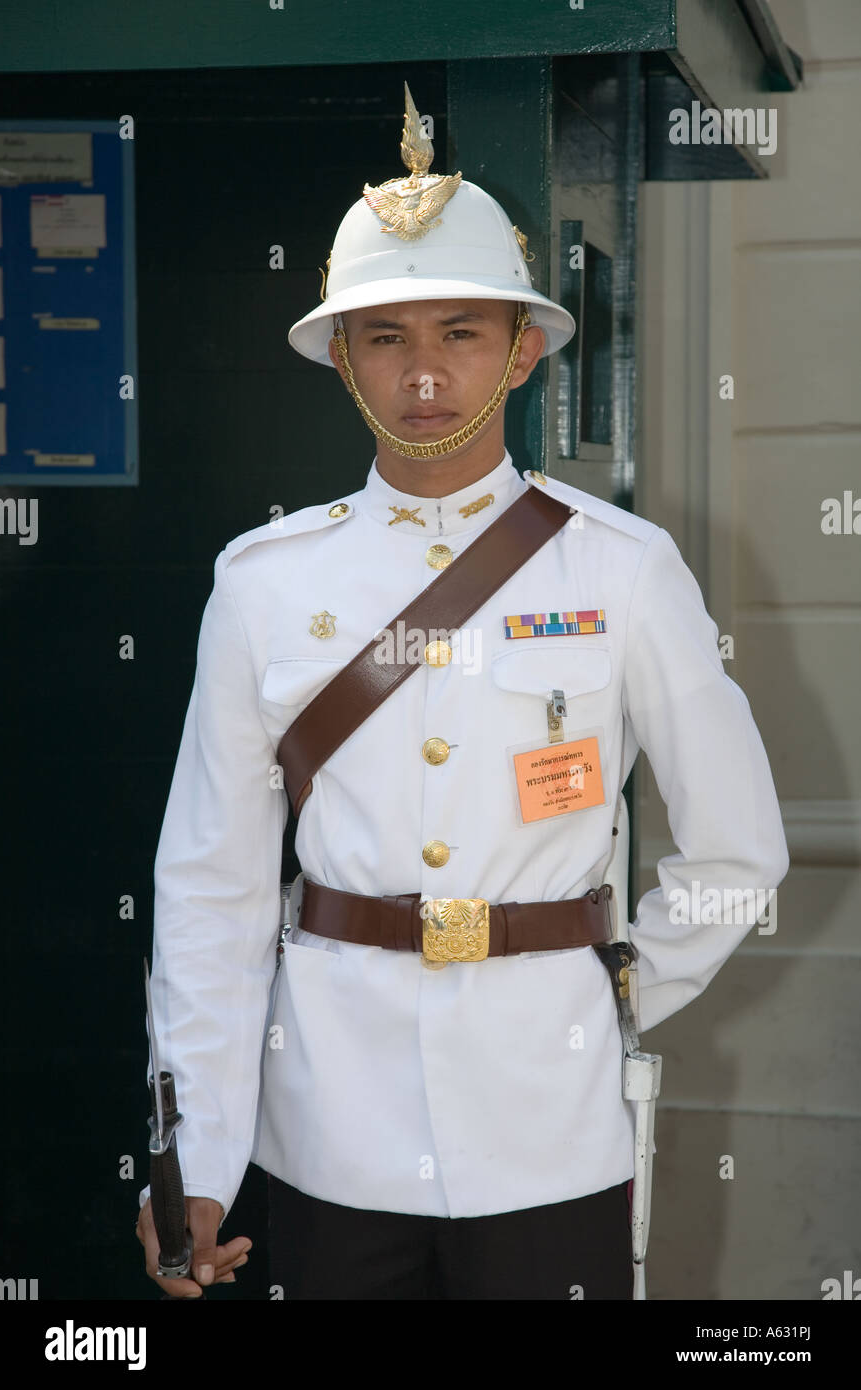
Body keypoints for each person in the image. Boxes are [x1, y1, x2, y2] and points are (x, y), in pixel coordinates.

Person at [136, 85, 788, 1300]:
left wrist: (611, 991)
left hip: (550, 1126)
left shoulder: (622, 569)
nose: (423, 371)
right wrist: (199, 1156)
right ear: (342, 359)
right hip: (330, 1130)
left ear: (523, 349)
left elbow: (737, 851)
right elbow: (211, 886)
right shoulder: (266, 581)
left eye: (460, 332)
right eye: (384, 336)